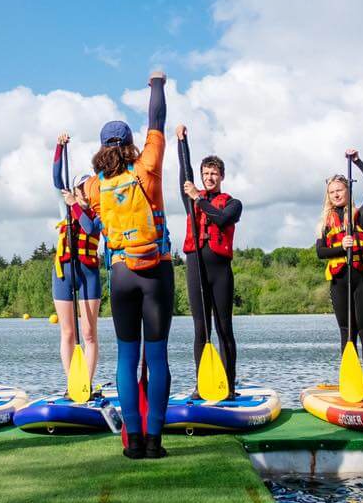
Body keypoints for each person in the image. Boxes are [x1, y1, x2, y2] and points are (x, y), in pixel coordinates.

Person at [77, 72, 171, 459]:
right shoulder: (147, 167)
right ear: (131, 144)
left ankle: (132, 442)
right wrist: (157, 86)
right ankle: (154, 442)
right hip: (155, 271)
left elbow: (90, 218)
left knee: (127, 357)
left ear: (101, 148)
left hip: (120, 275)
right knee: (158, 356)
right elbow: (157, 121)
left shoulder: (95, 186)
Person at [177, 125, 241, 397]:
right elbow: (185, 171)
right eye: (205, 174)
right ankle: (202, 383)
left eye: (214, 173)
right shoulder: (192, 198)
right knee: (200, 329)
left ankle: (227, 385)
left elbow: (221, 219)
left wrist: (198, 198)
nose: (209, 177)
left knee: (223, 327)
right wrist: (183, 141)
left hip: (220, 271)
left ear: (222, 176)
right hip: (195, 267)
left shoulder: (233, 203)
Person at [313, 151, 363, 400]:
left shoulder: (360, 216)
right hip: (340, 281)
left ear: (348, 191)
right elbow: (321, 252)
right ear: (328, 196)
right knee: (346, 332)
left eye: (340, 190)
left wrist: (358, 162)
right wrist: (342, 246)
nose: (336, 195)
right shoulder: (325, 222)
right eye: (332, 192)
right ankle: (350, 380)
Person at [53, 133, 101, 387]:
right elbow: (56, 178)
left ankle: (86, 384)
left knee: (89, 333)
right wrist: (59, 147)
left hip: (88, 273)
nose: (83, 191)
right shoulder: (65, 205)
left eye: (87, 187)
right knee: (68, 332)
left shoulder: (99, 212)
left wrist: (75, 205)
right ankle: (72, 382)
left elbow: (90, 228)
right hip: (64, 273)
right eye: (79, 187)